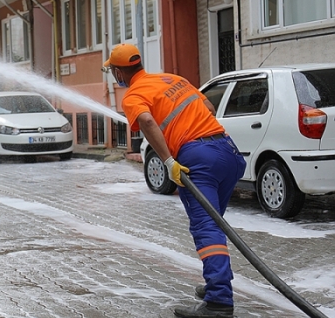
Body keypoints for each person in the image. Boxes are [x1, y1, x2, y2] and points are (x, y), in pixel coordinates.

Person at [104, 43, 246, 318]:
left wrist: (169, 161)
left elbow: (146, 121)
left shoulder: (133, 95)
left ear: (120, 73)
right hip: (228, 152)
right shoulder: (172, 79)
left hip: (197, 159)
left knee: (207, 229)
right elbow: (208, 106)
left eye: (113, 71)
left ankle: (219, 302)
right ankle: (216, 283)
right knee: (214, 224)